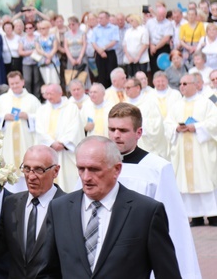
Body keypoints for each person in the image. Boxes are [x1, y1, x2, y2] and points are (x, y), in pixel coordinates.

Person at [39, 136, 181, 278]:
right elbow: (48, 272)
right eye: (81, 169)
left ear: (117, 169)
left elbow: (167, 274)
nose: (86, 177)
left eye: (94, 169)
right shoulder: (59, 209)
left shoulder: (146, 212)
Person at [107, 103, 202, 279]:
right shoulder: (96, 165)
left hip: (139, 254)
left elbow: (173, 223)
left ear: (139, 133)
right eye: (111, 129)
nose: (116, 135)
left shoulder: (157, 168)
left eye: (123, 130)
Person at [0, 145, 64, 278]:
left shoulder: (67, 207)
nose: (31, 177)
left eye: (39, 170)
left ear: (55, 171)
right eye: (27, 169)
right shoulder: (12, 203)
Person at [164, 73, 217, 227]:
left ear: (195, 84)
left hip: (201, 150)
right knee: (186, 183)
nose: (182, 86)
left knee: (204, 179)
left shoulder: (207, 102)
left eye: (185, 84)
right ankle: (195, 216)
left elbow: (214, 121)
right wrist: (176, 128)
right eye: (180, 84)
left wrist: (197, 127)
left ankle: (213, 215)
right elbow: (167, 123)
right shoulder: (176, 105)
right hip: (183, 149)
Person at [34, 84, 83, 192]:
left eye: (51, 94)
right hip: (48, 151)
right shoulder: (42, 110)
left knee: (68, 182)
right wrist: (51, 143)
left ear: (60, 93)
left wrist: (63, 143)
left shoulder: (71, 108)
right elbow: (39, 129)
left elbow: (75, 128)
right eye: (47, 94)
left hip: (65, 152)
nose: (49, 97)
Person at [0, 71, 41, 176]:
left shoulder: (32, 100)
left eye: (17, 83)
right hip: (8, 141)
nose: (14, 86)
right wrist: (3, 117)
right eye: (12, 84)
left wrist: (28, 117)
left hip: (26, 141)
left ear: (23, 82)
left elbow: (42, 118)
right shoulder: (2, 100)